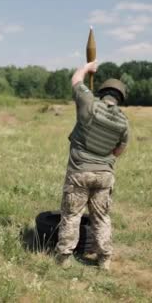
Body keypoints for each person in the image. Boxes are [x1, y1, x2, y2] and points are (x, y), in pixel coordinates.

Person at [55, 61, 129, 271]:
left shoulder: (88, 102)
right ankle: (104, 259)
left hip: (79, 172)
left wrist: (87, 67)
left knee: (72, 215)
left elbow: (76, 80)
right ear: (120, 98)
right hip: (105, 174)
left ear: (102, 91)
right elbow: (118, 151)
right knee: (102, 217)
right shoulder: (124, 123)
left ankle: (64, 258)